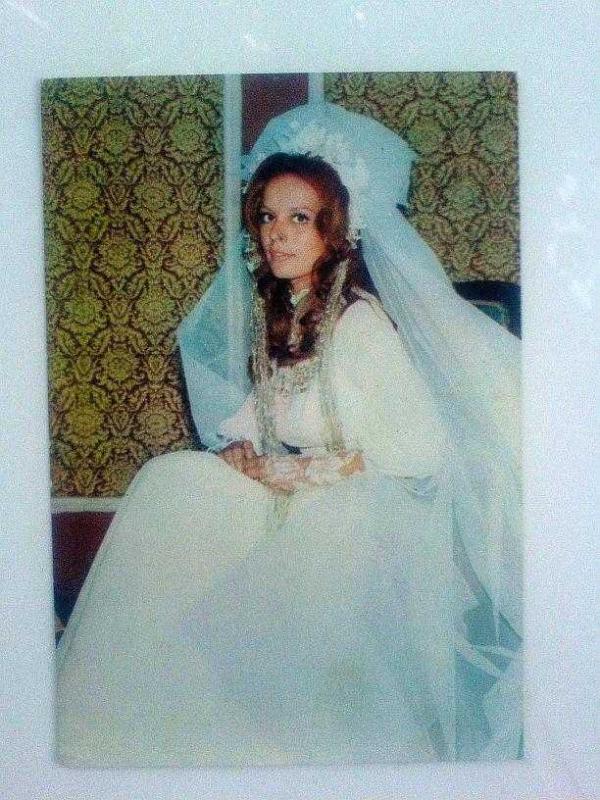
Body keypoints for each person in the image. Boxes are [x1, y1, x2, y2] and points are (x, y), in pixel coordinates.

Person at [55, 102, 522, 767]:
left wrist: (298, 473)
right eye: (269, 217)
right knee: (174, 479)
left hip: (366, 510)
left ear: (337, 230)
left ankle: (251, 732)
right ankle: (139, 710)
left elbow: (418, 451)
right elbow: (263, 419)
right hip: (297, 492)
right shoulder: (288, 313)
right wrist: (241, 453)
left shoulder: (360, 324)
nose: (278, 235)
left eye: (300, 219)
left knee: (274, 531)